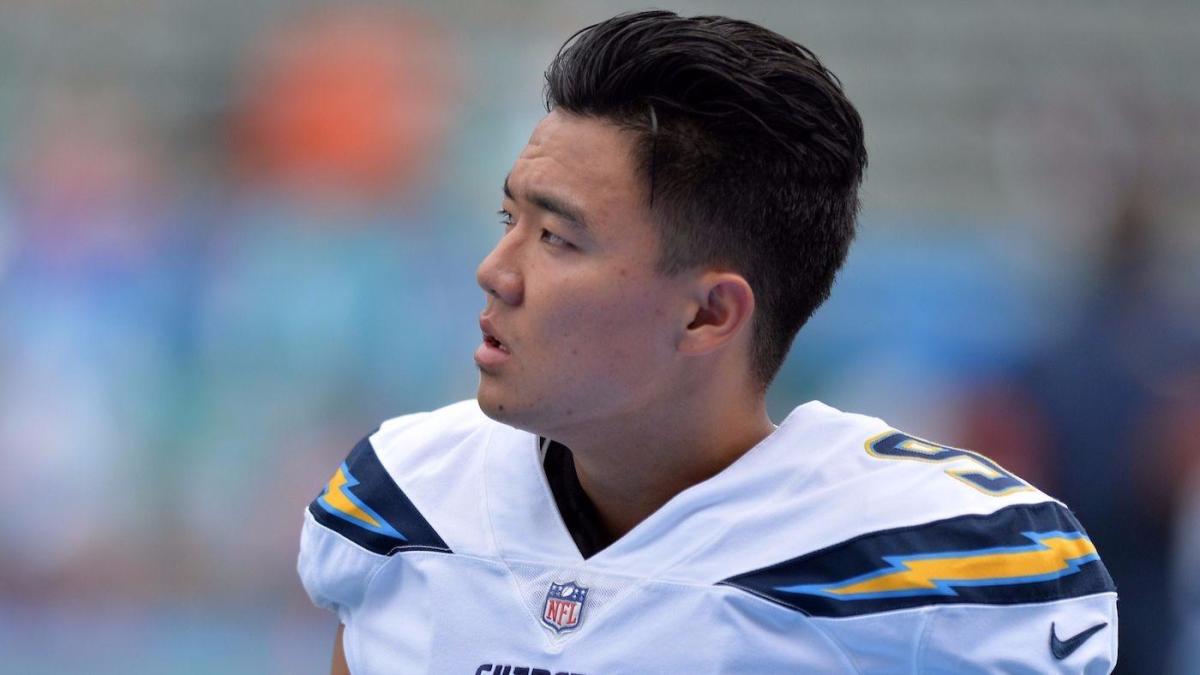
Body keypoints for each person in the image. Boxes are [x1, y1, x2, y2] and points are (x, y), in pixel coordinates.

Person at [298, 11, 1117, 673]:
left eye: (558, 239)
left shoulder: (935, 575)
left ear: (708, 314)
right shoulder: (406, 497)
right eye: (510, 218)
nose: (495, 271)